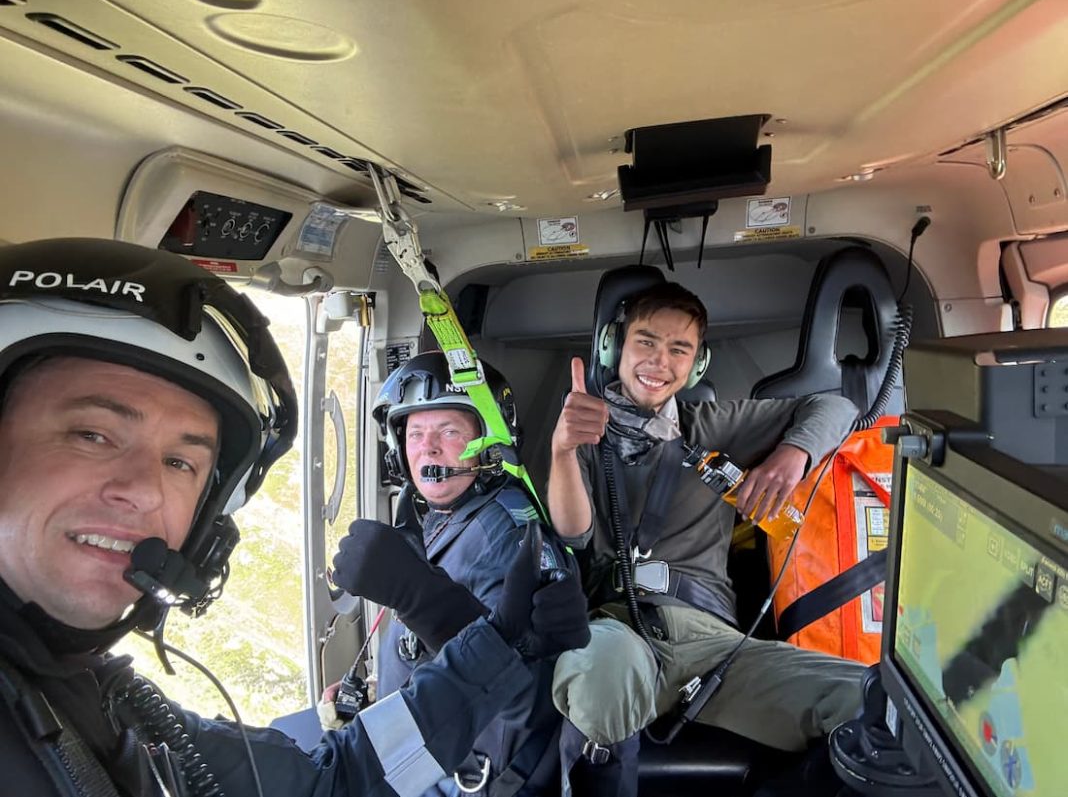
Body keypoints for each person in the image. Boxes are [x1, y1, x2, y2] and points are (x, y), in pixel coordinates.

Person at [0, 237, 589, 797]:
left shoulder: (94, 693)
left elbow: (352, 778)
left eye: (181, 460)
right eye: (91, 435)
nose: (141, 491)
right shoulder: (423, 522)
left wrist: (457, 621)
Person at [548, 280, 866, 796]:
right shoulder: (583, 427)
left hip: (718, 647)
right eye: (646, 342)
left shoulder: (715, 425)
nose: (660, 361)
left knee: (871, 701)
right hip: (622, 629)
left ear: (697, 365)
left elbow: (838, 407)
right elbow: (573, 533)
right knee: (600, 671)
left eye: (680, 349)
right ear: (614, 347)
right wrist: (563, 451)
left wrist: (792, 454)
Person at [327, 352, 569, 796]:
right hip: (426, 751)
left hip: (468, 777)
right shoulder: (443, 519)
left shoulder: (506, 535)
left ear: (490, 441)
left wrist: (418, 596)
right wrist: (378, 692)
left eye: (449, 431)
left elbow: (526, 697)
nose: (429, 448)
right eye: (415, 433)